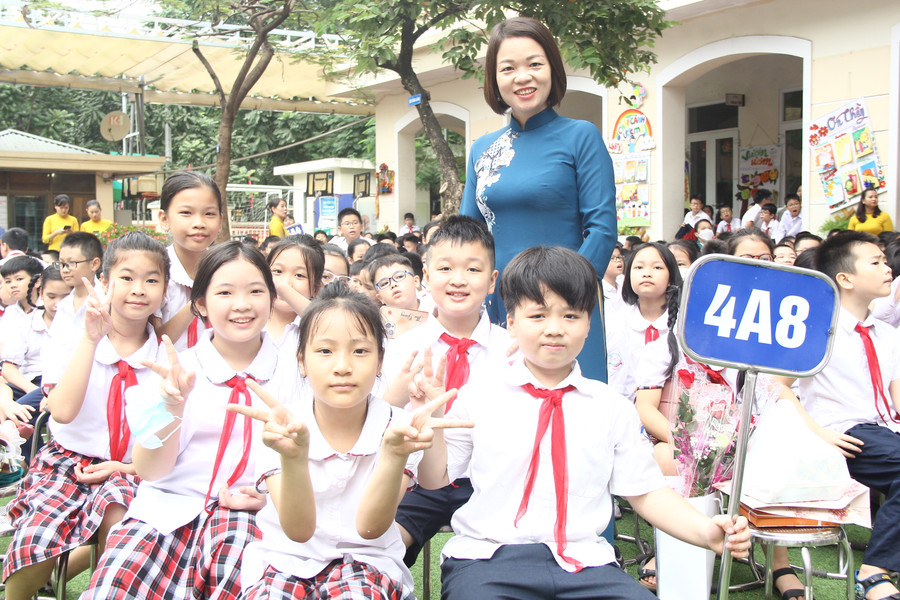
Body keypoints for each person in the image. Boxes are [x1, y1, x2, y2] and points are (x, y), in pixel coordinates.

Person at [414, 245, 750, 600]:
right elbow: (435, 479)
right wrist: (433, 425)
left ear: (589, 324)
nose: (554, 329)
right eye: (537, 315)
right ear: (511, 322)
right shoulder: (479, 396)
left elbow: (646, 491)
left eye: (571, 316)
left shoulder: (610, 407)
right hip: (489, 558)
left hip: (585, 563)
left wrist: (706, 532)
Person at [232, 284, 464, 599]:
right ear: (302, 360)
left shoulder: (396, 427)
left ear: (380, 361)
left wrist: (395, 454)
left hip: (369, 564)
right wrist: (293, 458)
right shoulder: (281, 426)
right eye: (325, 351)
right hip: (285, 561)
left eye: (360, 351)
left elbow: (370, 529)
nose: (342, 366)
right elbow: (298, 532)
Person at [82, 241, 281, 600]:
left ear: (272, 297)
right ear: (200, 303)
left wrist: (270, 499)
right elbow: (151, 470)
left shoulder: (296, 373)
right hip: (168, 510)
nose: (242, 304)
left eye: (255, 291)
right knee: (118, 581)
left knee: (239, 576)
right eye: (225, 292)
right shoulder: (174, 370)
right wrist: (171, 405)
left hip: (254, 515)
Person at [3, 232, 168, 600]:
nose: (138, 289)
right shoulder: (73, 337)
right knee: (36, 540)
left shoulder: (165, 354)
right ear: (104, 282)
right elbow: (62, 412)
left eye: (151, 280)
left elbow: (162, 434)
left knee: (119, 517)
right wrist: (92, 339)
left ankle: (103, 590)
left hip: (132, 468)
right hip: (67, 464)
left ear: (164, 289)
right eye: (126, 278)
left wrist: (127, 467)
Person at [459, 16, 615, 381]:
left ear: (553, 70)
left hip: (566, 306)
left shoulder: (581, 137)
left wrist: (563, 302)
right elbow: (468, 238)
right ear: (495, 79)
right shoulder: (482, 149)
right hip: (500, 306)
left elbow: (602, 231)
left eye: (534, 64)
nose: (522, 77)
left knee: (572, 405)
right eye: (508, 68)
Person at [380, 216, 511, 567]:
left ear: (492, 281)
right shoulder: (402, 349)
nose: (458, 279)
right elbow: (379, 416)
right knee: (383, 544)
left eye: (473, 269)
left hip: (490, 481)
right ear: (426, 276)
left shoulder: (512, 351)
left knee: (500, 556)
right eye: (445, 268)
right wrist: (396, 397)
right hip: (418, 479)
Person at [779, 231, 900, 600]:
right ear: (845, 278)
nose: (888, 269)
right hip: (844, 433)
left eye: (886, 261)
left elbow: (895, 393)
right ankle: (874, 572)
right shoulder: (816, 330)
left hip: (884, 429)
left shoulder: (886, 333)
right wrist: (817, 432)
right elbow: (776, 386)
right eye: (876, 262)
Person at [154, 171, 222, 351]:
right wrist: (196, 302)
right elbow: (152, 341)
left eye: (209, 213)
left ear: (220, 221)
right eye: (186, 213)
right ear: (164, 219)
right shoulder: (154, 272)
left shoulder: (227, 271)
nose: (199, 223)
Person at [606, 243, 682, 402]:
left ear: (670, 277)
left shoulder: (684, 327)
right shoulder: (613, 322)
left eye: (657, 268)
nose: (647, 274)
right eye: (639, 267)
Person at [265, 235, 323, 374]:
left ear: (316, 288)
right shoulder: (248, 320)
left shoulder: (319, 329)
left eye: (299, 275)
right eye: (277, 271)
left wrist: (279, 286)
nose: (286, 283)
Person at [1, 260, 57, 401]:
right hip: (23, 377)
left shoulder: (50, 309)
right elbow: (8, 362)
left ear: (37, 282)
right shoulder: (10, 313)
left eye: (19, 279)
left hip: (48, 378)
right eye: (8, 281)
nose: (13, 285)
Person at [601, 243, 625, 314]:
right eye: (612, 258)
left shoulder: (623, 284)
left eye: (619, 257)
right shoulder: (600, 289)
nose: (618, 260)